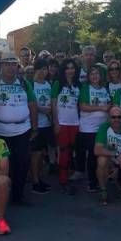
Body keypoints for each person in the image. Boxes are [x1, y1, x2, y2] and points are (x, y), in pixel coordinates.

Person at [0, 53, 38, 205]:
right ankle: (2, 193)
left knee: (22, 163)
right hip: (0, 131)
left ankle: (18, 195)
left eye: (13, 64)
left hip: (23, 130)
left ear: (17, 66)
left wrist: (35, 127)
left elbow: (32, 105)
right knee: (4, 164)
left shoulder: (23, 83)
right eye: (6, 64)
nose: (9, 67)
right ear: (1, 66)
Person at [78, 66, 112, 192]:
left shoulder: (105, 88)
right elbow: (83, 106)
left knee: (101, 155)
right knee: (92, 155)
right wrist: (101, 108)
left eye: (97, 73)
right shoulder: (86, 88)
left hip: (103, 128)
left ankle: (101, 179)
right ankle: (92, 182)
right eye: (92, 74)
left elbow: (109, 104)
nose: (94, 76)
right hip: (89, 128)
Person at [51, 58, 81, 194]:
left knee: (71, 151)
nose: (70, 71)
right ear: (63, 70)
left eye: (72, 68)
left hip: (75, 123)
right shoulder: (58, 83)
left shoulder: (78, 85)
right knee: (63, 151)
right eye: (67, 68)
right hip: (62, 123)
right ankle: (63, 180)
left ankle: (68, 177)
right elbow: (53, 104)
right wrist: (56, 123)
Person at [28, 58, 53, 194]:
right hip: (36, 124)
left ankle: (39, 178)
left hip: (47, 124)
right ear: (35, 70)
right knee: (35, 154)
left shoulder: (48, 84)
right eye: (41, 69)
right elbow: (28, 103)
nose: (43, 72)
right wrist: (42, 110)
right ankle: (35, 181)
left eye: (45, 69)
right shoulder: (30, 85)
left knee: (42, 154)